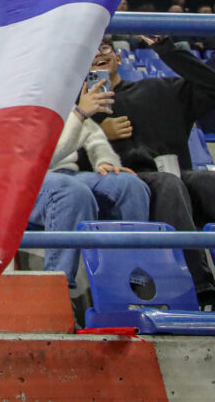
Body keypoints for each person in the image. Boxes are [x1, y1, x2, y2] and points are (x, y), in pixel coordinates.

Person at [88, 36, 215, 308]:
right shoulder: (80, 112)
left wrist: (167, 49)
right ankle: (198, 285)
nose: (98, 53)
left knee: (212, 182)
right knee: (168, 184)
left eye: (104, 47)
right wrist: (96, 130)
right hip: (123, 185)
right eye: (89, 51)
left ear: (118, 57)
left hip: (175, 175)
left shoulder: (159, 89)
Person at [28, 80, 149, 303]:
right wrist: (80, 113)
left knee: (129, 185)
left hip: (67, 175)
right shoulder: (15, 104)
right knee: (71, 191)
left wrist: (106, 161)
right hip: (25, 180)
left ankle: (130, 283)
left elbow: (95, 138)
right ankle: (58, 290)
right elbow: (37, 161)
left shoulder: (60, 102)